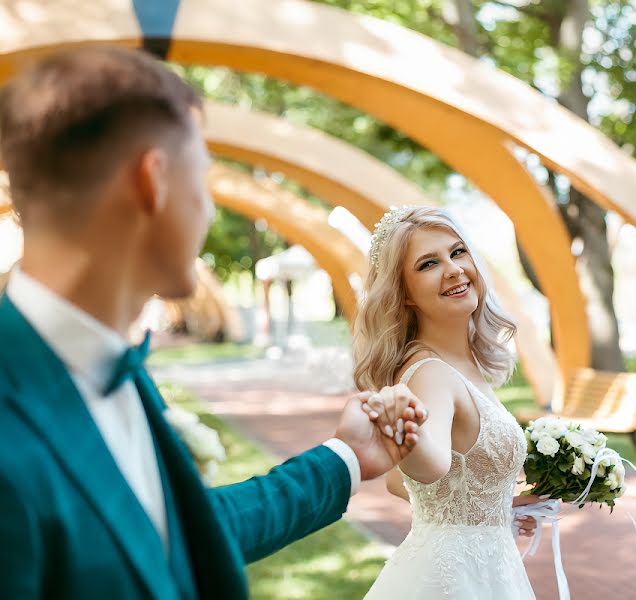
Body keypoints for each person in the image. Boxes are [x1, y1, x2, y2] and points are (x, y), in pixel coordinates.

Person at [0, 46, 425, 600]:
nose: (209, 211)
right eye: (201, 182)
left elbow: (180, 532)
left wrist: (347, 458)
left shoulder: (118, 371)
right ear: (152, 182)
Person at [354, 206, 538, 599]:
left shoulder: (459, 364)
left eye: (457, 252)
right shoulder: (432, 374)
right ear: (404, 295)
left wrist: (491, 509)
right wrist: (404, 433)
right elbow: (431, 466)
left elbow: (396, 481)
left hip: (482, 569)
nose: (454, 269)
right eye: (428, 264)